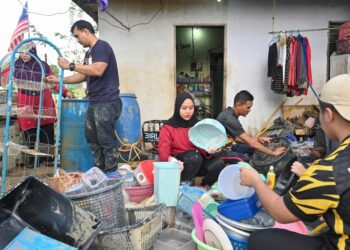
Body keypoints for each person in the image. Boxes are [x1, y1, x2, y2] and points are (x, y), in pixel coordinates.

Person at [240, 74, 350, 250]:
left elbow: (280, 212)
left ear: (328, 115)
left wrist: (254, 180)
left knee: (260, 240)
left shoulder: (329, 170)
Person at [46, 20, 122, 172]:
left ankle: (112, 176)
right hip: (95, 102)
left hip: (107, 102)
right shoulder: (90, 53)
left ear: (86, 31)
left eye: (77, 35)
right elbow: (82, 75)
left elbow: (98, 70)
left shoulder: (101, 47)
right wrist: (60, 80)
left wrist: (70, 65)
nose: (77, 39)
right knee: (92, 139)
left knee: (106, 141)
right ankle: (99, 172)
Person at [0, 43, 73, 167]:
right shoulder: (15, 66)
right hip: (26, 103)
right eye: (21, 52)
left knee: (47, 131)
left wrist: (66, 92)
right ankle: (32, 159)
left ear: (33, 51)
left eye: (27, 52)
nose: (24, 55)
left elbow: (54, 81)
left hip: (43, 101)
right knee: (29, 132)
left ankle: (48, 158)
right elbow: (2, 79)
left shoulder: (43, 66)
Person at [158, 93, 225, 185]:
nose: (188, 111)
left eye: (191, 108)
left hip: (197, 162)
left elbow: (202, 146)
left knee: (219, 163)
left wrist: (208, 149)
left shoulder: (197, 126)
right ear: (177, 108)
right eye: (184, 108)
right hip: (179, 165)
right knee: (195, 156)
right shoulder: (168, 127)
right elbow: (163, 151)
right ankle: (184, 185)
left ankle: (203, 187)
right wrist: (169, 159)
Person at [217, 90, 285, 157]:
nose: (249, 110)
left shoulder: (230, 113)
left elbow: (238, 138)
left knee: (255, 148)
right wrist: (274, 153)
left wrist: (258, 139)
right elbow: (252, 143)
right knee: (246, 159)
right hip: (221, 150)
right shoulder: (230, 118)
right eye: (248, 107)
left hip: (230, 144)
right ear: (238, 105)